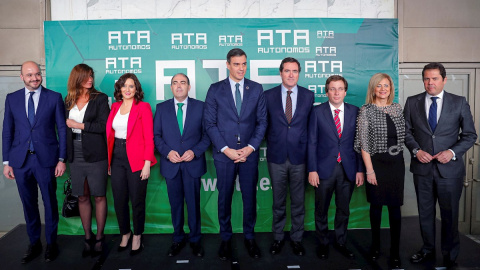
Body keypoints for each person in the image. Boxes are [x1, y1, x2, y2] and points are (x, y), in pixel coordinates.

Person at [404, 62, 477, 268]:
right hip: (423, 169)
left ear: (444, 79)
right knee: (425, 214)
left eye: (434, 78)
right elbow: (406, 133)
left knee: (450, 215)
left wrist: (452, 152)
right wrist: (417, 151)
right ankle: (427, 250)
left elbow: (470, 135)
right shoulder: (412, 102)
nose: (430, 82)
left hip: (450, 171)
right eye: (426, 78)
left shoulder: (459, 102)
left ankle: (450, 256)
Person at [204, 48, 267, 260]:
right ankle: (226, 238)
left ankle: (250, 237)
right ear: (228, 65)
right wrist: (226, 150)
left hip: (248, 154)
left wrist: (250, 148)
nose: (241, 68)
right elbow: (210, 124)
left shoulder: (256, 89)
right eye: (237, 64)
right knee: (224, 198)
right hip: (224, 155)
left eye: (244, 64)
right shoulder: (215, 89)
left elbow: (262, 123)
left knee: (250, 197)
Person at [2, 61, 67, 263]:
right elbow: (7, 132)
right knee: (28, 204)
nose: (34, 78)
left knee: (49, 202)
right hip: (20, 162)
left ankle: (51, 244)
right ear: (22, 77)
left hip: (46, 160)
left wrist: (61, 159)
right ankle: (34, 244)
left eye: (37, 74)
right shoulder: (12, 99)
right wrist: (6, 161)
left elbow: (62, 130)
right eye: (29, 75)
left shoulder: (54, 97)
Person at [153, 73, 210, 257]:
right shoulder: (161, 109)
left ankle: (195, 240)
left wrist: (194, 151)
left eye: (183, 83)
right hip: (171, 165)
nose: (179, 86)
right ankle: (178, 238)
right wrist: (167, 152)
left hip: (192, 164)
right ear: (170, 87)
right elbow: (156, 136)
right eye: (175, 83)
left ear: (189, 86)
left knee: (193, 205)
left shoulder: (201, 107)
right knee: (175, 204)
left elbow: (207, 135)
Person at [308, 75, 364, 260]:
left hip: (347, 169)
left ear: (345, 91)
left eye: (340, 88)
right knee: (321, 209)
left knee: (343, 209)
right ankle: (323, 243)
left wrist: (359, 170)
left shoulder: (355, 112)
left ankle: (340, 241)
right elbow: (312, 143)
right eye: (332, 89)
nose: (336, 92)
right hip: (323, 170)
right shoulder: (317, 112)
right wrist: (312, 169)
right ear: (327, 92)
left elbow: (359, 144)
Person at [354, 73, 405, 268]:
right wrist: (369, 171)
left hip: (396, 165)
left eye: (386, 85)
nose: (383, 89)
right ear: (373, 89)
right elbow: (364, 143)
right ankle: (375, 247)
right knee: (376, 206)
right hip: (376, 164)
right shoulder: (366, 110)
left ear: (391, 88)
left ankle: (395, 252)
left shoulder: (397, 109)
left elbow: (404, 136)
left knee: (394, 208)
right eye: (379, 86)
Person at [264, 57, 314, 256]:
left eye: (295, 71)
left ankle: (296, 238)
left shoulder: (308, 96)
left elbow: (311, 130)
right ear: (281, 73)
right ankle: (277, 238)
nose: (291, 74)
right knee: (278, 201)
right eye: (287, 71)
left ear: (299, 73)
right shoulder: (268, 96)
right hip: (276, 157)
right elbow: (263, 125)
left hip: (300, 158)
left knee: (298, 202)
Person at [106, 73, 157, 256]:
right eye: (124, 86)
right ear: (119, 89)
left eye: (131, 86)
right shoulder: (115, 107)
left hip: (136, 158)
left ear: (136, 89)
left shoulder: (143, 107)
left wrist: (146, 163)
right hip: (117, 157)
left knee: (137, 200)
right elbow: (111, 136)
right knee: (119, 200)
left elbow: (149, 137)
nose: (127, 89)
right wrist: (110, 161)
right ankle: (125, 233)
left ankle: (137, 235)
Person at [64, 64, 110, 257]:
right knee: (82, 196)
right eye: (86, 76)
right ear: (77, 78)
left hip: (96, 153)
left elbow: (103, 126)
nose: (90, 80)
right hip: (74, 153)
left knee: (99, 196)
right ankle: (87, 236)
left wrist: (78, 125)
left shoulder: (99, 98)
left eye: (91, 76)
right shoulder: (68, 100)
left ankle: (99, 238)